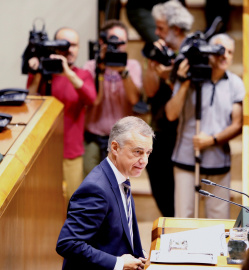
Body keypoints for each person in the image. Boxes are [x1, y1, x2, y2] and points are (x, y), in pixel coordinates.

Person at [56, 116, 154, 270]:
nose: (144, 160)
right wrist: (119, 263)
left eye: (148, 153)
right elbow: (68, 243)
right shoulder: (96, 190)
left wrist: (140, 255)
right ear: (115, 148)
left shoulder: (120, 178)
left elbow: (118, 236)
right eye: (138, 152)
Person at [165, 33, 245, 219]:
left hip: (218, 162)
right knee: (184, 218)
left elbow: (238, 124)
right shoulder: (189, 78)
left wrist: (212, 140)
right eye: (219, 50)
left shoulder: (234, 83)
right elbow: (171, 114)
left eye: (230, 52)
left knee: (218, 221)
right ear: (208, 52)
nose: (224, 56)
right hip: (186, 159)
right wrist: (184, 83)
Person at [26, 27, 97, 201]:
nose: (69, 50)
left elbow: (90, 98)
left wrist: (67, 72)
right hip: (42, 152)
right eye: (64, 45)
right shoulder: (42, 74)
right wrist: (37, 73)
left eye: (73, 45)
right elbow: (30, 102)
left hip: (71, 153)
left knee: (72, 204)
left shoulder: (83, 75)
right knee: (44, 203)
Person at [143, 0, 194, 217]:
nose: (156, 32)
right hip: (161, 127)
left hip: (183, 129)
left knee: (179, 190)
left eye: (161, 28)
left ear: (176, 29)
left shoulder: (191, 53)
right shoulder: (162, 50)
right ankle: (169, 217)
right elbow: (151, 90)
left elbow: (189, 93)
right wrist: (152, 66)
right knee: (154, 169)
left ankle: (176, 220)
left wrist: (170, 76)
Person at [83, 19, 142, 177]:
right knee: (91, 183)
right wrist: (100, 69)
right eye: (113, 41)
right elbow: (94, 99)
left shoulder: (132, 66)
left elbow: (134, 100)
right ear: (103, 42)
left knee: (118, 187)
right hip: (94, 136)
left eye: (122, 42)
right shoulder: (90, 66)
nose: (118, 46)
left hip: (123, 141)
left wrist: (123, 72)